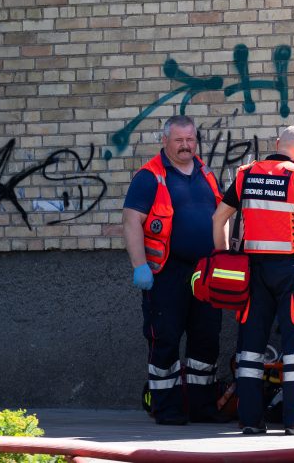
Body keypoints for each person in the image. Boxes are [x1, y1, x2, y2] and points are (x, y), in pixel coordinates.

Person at [211, 125, 294, 436]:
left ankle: (250, 420)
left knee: (250, 348)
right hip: (291, 270)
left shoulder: (245, 174)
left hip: (251, 272)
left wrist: (223, 256)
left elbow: (219, 218)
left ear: (277, 144)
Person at [122, 115, 226, 425]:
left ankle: (201, 407)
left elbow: (222, 215)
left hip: (205, 274)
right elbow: (131, 222)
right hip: (165, 273)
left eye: (190, 139)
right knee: (164, 339)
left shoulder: (206, 173)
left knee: (206, 340)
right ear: (165, 141)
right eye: (179, 140)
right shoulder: (149, 176)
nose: (185, 146)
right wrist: (140, 266)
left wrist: (225, 256)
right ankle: (165, 408)